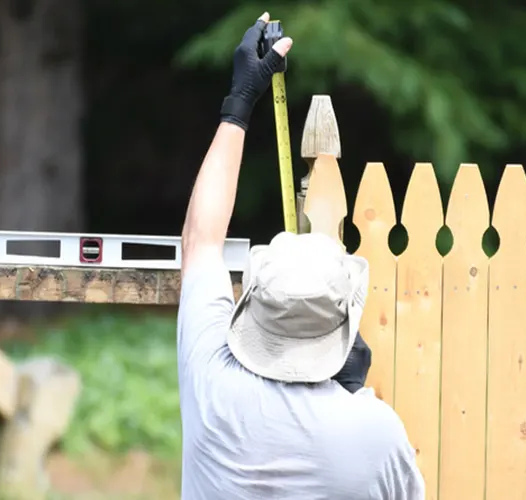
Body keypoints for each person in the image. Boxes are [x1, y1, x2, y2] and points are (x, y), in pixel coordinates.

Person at [176, 12, 427, 499]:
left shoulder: (213, 389)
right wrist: (352, 399)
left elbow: (200, 240)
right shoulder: (375, 434)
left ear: (254, 315)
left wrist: (239, 104)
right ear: (341, 333)